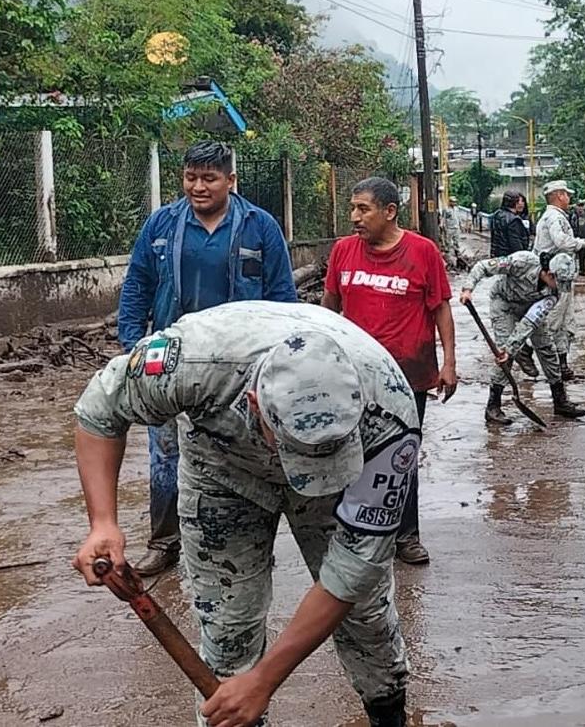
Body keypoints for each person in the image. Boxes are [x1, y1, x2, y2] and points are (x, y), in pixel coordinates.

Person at [72, 302, 416, 727]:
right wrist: (103, 522)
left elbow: (355, 568)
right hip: (222, 473)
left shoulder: (390, 411)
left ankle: (389, 714)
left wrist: (268, 678)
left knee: (367, 616)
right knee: (228, 629)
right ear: (254, 404)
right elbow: (99, 412)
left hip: (341, 484)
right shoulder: (191, 361)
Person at [117, 141, 297, 576]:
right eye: (191, 177)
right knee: (165, 453)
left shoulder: (260, 227)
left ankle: (246, 543)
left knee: (241, 451)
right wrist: (131, 347)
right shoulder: (161, 225)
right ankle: (164, 542)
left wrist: (277, 363)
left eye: (209, 178)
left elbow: (282, 298)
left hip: (239, 364)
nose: (198, 187)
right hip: (171, 358)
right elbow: (137, 284)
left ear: (231, 181)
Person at [322, 176, 457, 566]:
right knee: (345, 451)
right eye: (352, 209)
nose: (354, 217)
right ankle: (350, 531)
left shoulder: (422, 252)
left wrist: (448, 363)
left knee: (400, 457)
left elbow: (440, 308)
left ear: (390, 211)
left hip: (407, 376)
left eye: (363, 209)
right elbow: (329, 307)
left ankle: (406, 536)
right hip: (351, 375)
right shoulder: (344, 251)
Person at [460, 251, 585, 425]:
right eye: (559, 282)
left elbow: (529, 322)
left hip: (530, 308)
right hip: (504, 303)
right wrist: (468, 289)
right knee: (504, 355)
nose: (560, 287)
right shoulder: (522, 261)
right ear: (549, 273)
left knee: (546, 348)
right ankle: (493, 406)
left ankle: (560, 401)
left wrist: (514, 345)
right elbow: (484, 266)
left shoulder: (554, 294)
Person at [532, 180, 585, 381]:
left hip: (563, 277)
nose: (569, 199)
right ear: (559, 195)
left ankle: (562, 365)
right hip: (554, 277)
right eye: (567, 195)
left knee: (566, 323)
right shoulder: (553, 217)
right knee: (553, 322)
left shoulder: (556, 216)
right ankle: (547, 364)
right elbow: (561, 241)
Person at [490, 190, 531, 257]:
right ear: (514, 202)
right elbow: (516, 245)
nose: (521, 204)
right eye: (519, 201)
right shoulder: (514, 220)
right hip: (509, 258)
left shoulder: (497, 214)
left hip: (497, 256)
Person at [439, 196, 462, 268]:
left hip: (456, 228)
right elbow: (443, 218)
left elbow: (459, 218)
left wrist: (460, 225)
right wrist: (442, 225)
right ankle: (448, 259)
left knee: (456, 243)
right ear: (450, 202)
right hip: (449, 228)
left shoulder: (457, 209)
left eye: (455, 202)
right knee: (448, 243)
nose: (454, 203)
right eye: (453, 202)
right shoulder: (446, 209)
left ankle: (458, 256)